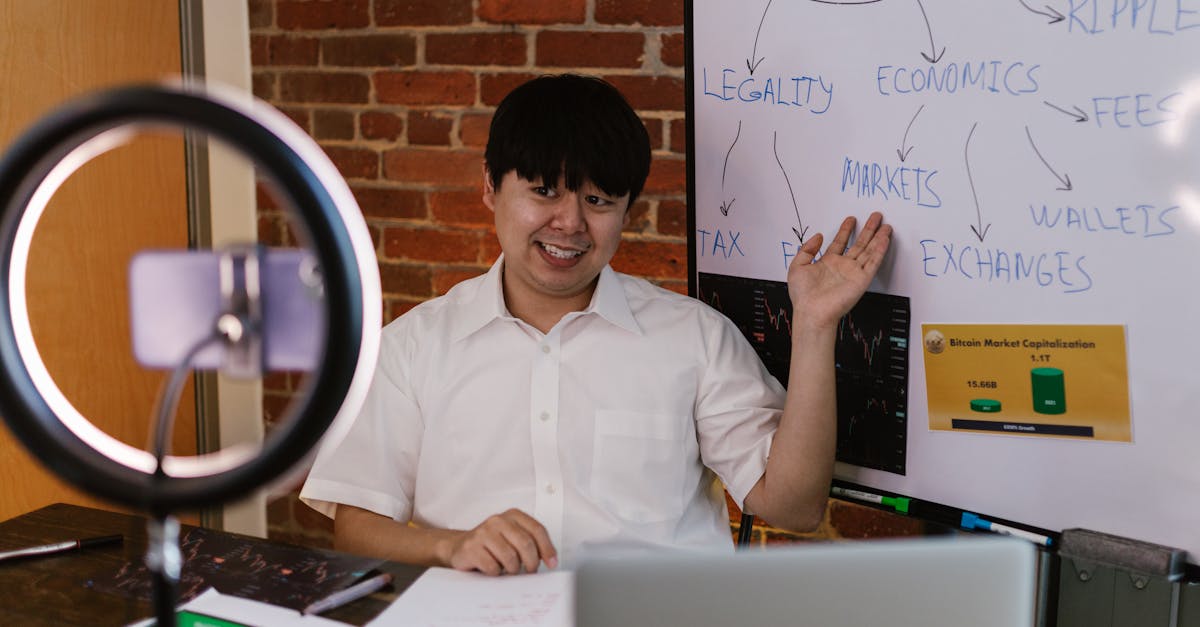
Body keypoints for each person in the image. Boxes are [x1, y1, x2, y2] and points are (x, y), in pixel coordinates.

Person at [300, 73, 892, 576]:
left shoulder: (694, 337)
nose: (570, 224)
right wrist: (449, 546)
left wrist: (815, 326)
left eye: (599, 201)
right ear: (489, 187)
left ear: (627, 211)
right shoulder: (412, 346)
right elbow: (356, 527)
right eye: (543, 191)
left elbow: (793, 507)